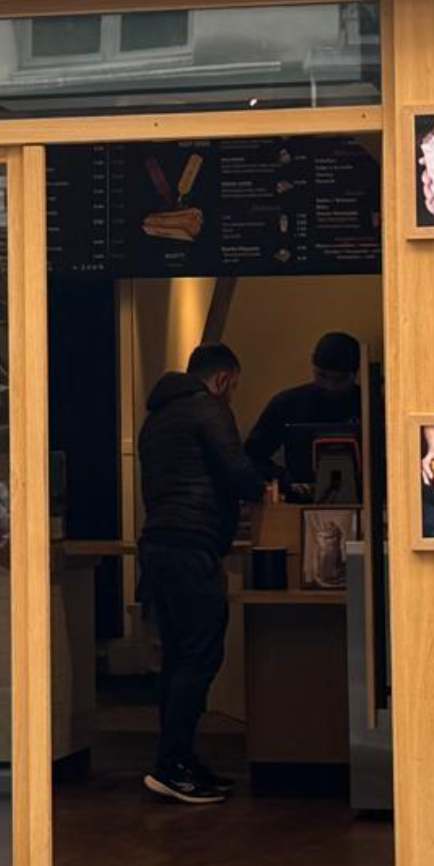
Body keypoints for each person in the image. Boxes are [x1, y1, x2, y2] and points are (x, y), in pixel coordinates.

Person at [136, 342, 265, 804]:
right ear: (224, 379)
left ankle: (178, 760)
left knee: (177, 658)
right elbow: (237, 471)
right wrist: (264, 488)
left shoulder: (156, 419)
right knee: (200, 657)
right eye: (234, 386)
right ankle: (173, 765)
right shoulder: (208, 409)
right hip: (194, 547)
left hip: (159, 545)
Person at [243, 332, 363, 484]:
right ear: (313, 369)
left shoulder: (372, 405)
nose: (330, 386)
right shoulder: (287, 403)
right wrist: (286, 479)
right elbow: (252, 456)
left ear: (355, 375)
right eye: (322, 376)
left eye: (340, 379)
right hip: (302, 494)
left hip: (366, 493)